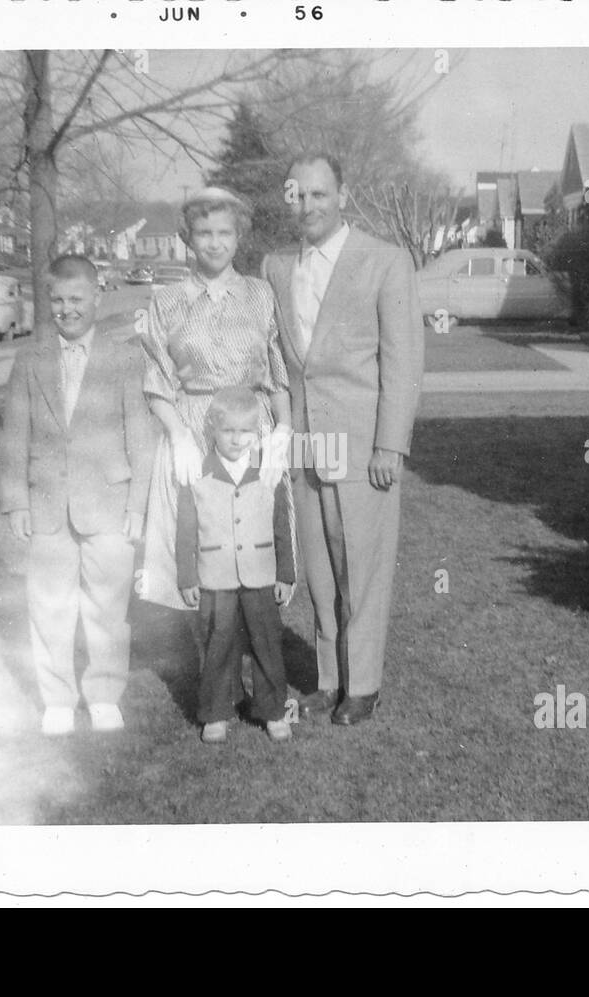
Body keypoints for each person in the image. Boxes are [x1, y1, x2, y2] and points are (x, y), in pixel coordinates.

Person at [261, 153, 425, 727]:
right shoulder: (278, 267)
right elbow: (280, 360)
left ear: (343, 195)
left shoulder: (385, 261)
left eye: (319, 194)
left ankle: (365, 685)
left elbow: (403, 362)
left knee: (363, 568)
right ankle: (329, 683)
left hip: (362, 446)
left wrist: (390, 445)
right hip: (308, 445)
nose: (307, 205)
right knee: (322, 571)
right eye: (298, 195)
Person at [0, 254, 156, 735]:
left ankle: (105, 692)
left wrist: (137, 505)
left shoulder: (126, 357)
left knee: (108, 605)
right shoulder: (30, 359)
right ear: (48, 301)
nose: (67, 309)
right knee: (48, 603)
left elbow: (141, 436)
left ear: (97, 297)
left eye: (77, 299)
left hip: (109, 502)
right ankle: (58, 700)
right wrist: (16, 501)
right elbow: (13, 435)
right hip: (47, 502)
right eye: (58, 300)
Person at [139, 187, 294, 615]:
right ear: (189, 237)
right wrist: (178, 436)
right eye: (204, 232)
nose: (215, 242)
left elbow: (277, 370)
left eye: (224, 232)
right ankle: (210, 661)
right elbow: (156, 379)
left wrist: (282, 429)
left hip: (252, 428)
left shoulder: (261, 294)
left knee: (252, 541)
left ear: (239, 236)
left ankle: (254, 653)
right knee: (198, 539)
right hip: (193, 429)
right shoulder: (168, 300)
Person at [176, 387, 297, 744]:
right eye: (228, 430)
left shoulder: (268, 471)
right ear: (212, 427)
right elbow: (185, 531)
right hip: (215, 576)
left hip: (261, 572)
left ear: (257, 431)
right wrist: (187, 575)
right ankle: (216, 711)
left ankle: (273, 709)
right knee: (218, 643)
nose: (236, 439)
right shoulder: (196, 473)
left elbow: (281, 526)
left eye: (245, 431)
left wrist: (286, 574)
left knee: (266, 642)